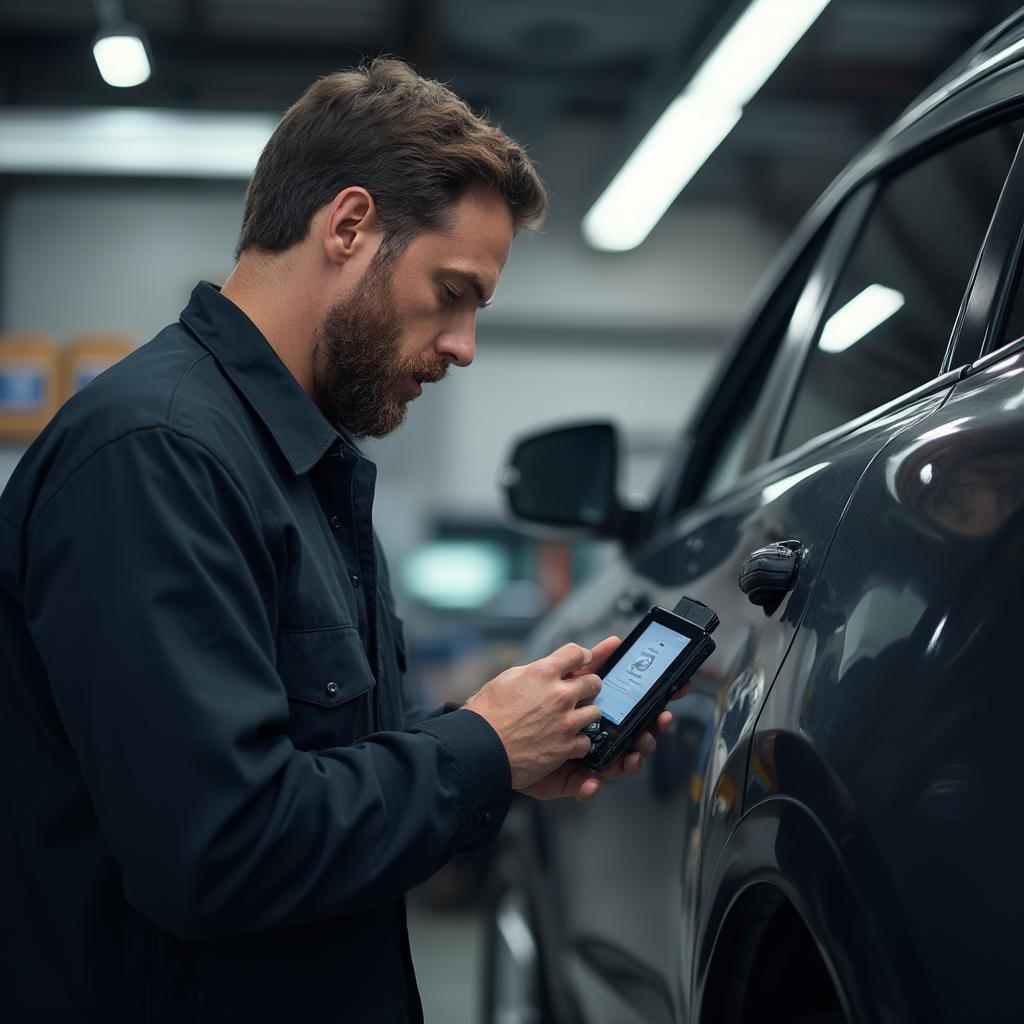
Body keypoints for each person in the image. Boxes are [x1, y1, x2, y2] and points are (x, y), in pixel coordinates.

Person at [0, 58, 673, 1022]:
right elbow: (218, 848)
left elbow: (326, 770)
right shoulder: (157, 456)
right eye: (453, 291)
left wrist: (510, 756)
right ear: (348, 226)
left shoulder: (298, 469)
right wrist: (478, 750)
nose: (464, 345)